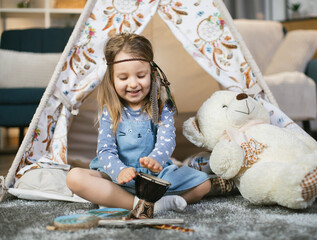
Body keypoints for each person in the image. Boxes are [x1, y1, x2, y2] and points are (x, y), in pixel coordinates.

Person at [66, 33, 212, 213]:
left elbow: (167, 140)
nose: (133, 84)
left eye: (140, 75)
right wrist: (120, 170)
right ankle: (141, 205)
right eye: (123, 78)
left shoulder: (161, 106)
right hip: (117, 177)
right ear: (111, 77)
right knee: (74, 177)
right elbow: (105, 150)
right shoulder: (109, 110)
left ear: (151, 73)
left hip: (154, 177)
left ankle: (130, 202)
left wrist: (156, 159)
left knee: (204, 184)